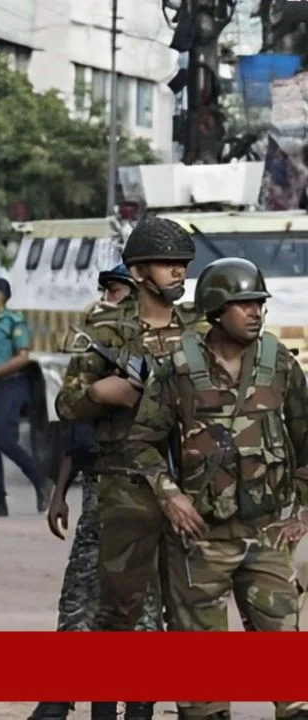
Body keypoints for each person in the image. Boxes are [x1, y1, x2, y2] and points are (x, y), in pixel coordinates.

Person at [127, 257, 308, 720]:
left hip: (267, 537)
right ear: (215, 308)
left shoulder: (279, 362)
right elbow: (142, 445)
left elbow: (307, 443)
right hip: (200, 541)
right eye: (242, 304)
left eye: (258, 304)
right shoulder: (179, 368)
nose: (255, 312)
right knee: (202, 690)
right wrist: (171, 495)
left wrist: (301, 513)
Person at [52, 216, 201, 720]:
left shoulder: (201, 328)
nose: (178, 272)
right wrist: (100, 393)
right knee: (121, 609)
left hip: (189, 484)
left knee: (186, 607)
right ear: (138, 271)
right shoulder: (105, 328)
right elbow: (65, 403)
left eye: (183, 264)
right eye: (167, 264)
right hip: (124, 483)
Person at [29, 262, 137, 720]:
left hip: (149, 489)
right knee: (80, 592)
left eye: (116, 290)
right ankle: (61, 697)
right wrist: (59, 493)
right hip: (99, 485)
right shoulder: (97, 347)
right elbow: (76, 425)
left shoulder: (161, 342)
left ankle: (134, 704)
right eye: (107, 291)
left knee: (140, 606)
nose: (108, 299)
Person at [0, 276, 46, 516]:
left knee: (5, 440)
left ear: (1, 296)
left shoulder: (15, 321)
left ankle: (41, 480)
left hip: (11, 385)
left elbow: (23, 356)